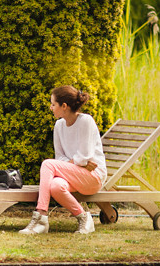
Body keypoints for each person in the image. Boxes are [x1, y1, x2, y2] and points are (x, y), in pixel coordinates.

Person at [19, 85, 107, 235]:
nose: (50, 107)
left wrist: (79, 162)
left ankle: (40, 217)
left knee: (47, 164)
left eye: (53, 104)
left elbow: (84, 156)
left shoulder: (86, 121)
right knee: (55, 186)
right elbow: (61, 157)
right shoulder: (59, 125)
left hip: (93, 177)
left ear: (64, 106)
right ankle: (85, 219)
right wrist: (79, 163)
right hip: (76, 174)